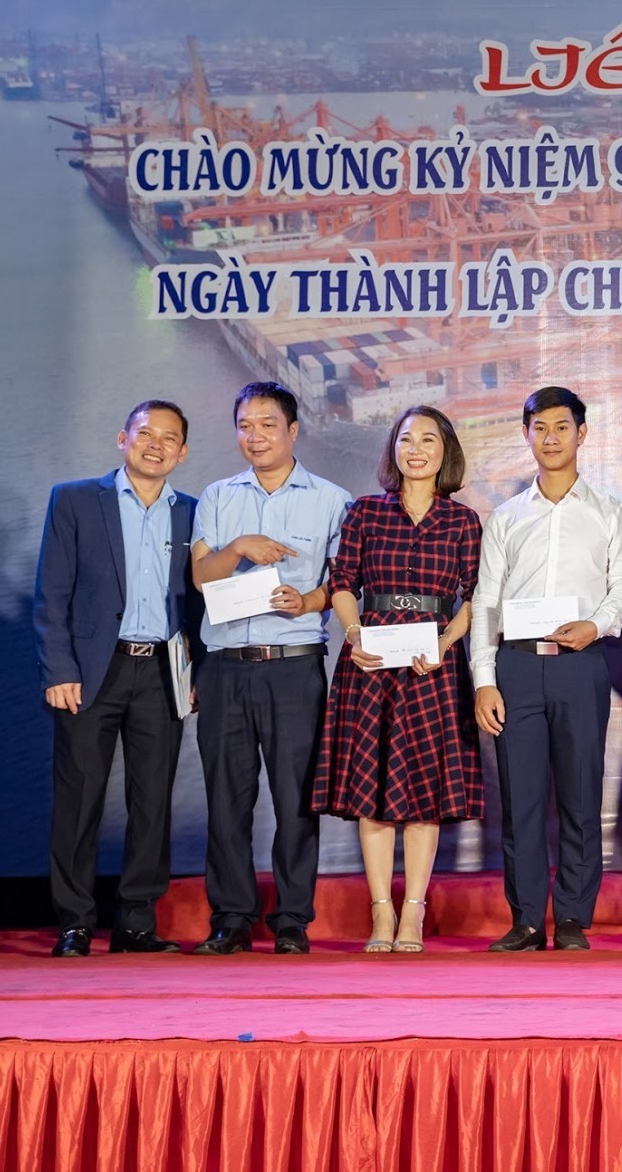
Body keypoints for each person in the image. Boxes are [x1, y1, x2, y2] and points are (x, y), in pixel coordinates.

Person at [472, 386, 622, 953]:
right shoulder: (505, 518)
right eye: (539, 428)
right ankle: (525, 920)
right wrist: (484, 680)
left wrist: (597, 625)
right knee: (520, 800)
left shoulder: (610, 512)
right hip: (516, 666)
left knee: (580, 794)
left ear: (582, 434)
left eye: (561, 427)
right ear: (526, 435)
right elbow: (485, 602)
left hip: (580, 663)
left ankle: (571, 918)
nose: (550, 438)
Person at [33, 401, 202, 957]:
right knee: (79, 798)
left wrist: (197, 672)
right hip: (89, 671)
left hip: (163, 670)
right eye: (145, 433)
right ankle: (75, 922)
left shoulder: (194, 512)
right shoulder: (75, 500)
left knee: (152, 800)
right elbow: (52, 592)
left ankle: (136, 923)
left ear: (182, 452)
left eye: (169, 438)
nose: (156, 445)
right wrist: (59, 668)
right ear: (122, 438)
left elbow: (201, 603)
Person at [311, 406, 482, 953]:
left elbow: (475, 597)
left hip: (433, 665)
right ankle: (381, 912)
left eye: (428, 440)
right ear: (394, 449)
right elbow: (343, 582)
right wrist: (354, 634)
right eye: (406, 439)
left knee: (424, 794)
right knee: (373, 791)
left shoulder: (463, 521)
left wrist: (446, 644)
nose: (416, 449)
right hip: (372, 662)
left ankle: (414, 913)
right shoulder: (364, 512)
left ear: (445, 450)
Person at [189, 382, 351, 955]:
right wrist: (240, 546)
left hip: (292, 668)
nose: (254, 436)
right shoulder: (217, 496)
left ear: (292, 431)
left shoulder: (332, 500)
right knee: (226, 798)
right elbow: (201, 577)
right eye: (244, 426)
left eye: (267, 425)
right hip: (225, 667)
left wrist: (307, 601)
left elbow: (344, 584)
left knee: (295, 797)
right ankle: (231, 918)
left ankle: (291, 920)